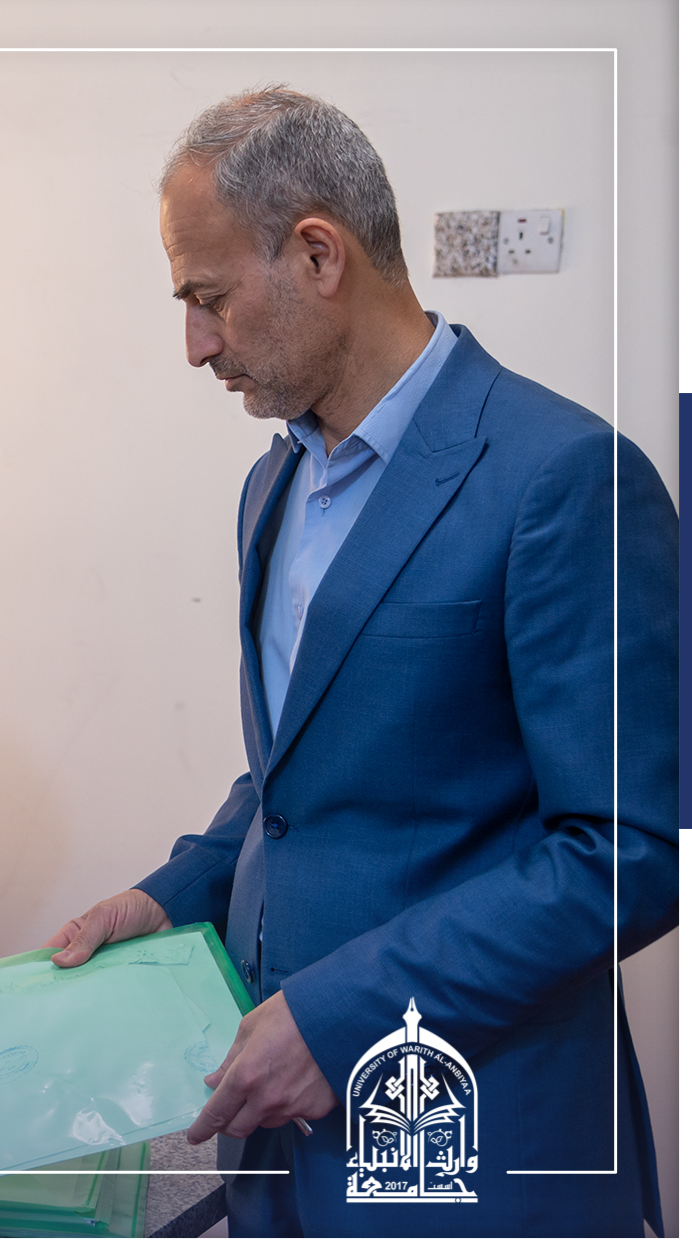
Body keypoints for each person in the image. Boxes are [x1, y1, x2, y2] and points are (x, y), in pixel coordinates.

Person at [45, 87, 676, 1236]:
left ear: (319, 254)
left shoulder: (566, 476)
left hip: (476, 1148)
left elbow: (627, 854)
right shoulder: (272, 484)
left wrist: (346, 1018)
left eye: (208, 297)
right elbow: (301, 780)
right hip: (278, 1147)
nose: (195, 345)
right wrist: (176, 895)